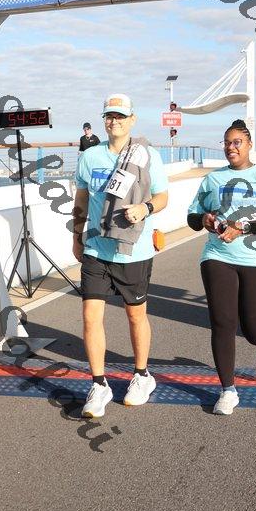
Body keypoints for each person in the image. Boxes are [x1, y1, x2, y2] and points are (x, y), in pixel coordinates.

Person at [73, 93, 168, 418]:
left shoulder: (148, 155)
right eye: (109, 116)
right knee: (90, 317)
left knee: (135, 316)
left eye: (120, 116)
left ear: (132, 120)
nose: (114, 121)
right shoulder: (90, 156)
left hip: (133, 250)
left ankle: (142, 375)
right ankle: (99, 384)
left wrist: (145, 208)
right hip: (96, 247)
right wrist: (76, 235)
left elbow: (163, 196)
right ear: (104, 120)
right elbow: (81, 200)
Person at [187, 119, 256, 415]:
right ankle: (227, 390)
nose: (231, 147)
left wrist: (243, 228)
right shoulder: (212, 179)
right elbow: (192, 217)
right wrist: (203, 219)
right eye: (227, 143)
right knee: (223, 322)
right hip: (217, 256)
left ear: (249, 144)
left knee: (254, 327)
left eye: (237, 142)